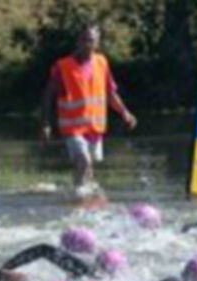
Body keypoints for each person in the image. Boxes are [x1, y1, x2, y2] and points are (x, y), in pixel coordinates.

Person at [40, 23, 137, 197]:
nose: (87, 44)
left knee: (87, 167)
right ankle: (80, 198)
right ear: (77, 41)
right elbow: (48, 95)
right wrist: (46, 123)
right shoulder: (63, 66)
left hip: (95, 127)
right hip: (72, 128)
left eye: (91, 40)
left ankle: (83, 197)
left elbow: (110, 93)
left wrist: (125, 113)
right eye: (83, 40)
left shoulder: (102, 63)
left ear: (97, 43)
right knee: (84, 160)